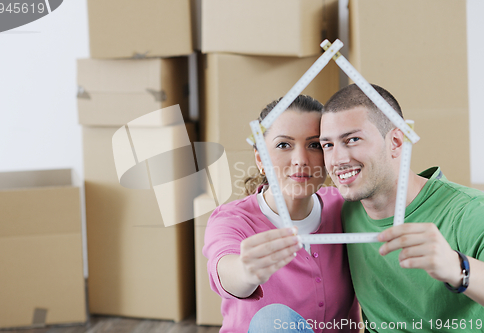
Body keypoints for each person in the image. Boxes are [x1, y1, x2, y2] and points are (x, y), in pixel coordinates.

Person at [319, 83, 484, 332]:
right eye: (327, 145)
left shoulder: (469, 212)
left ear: (396, 141)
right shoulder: (339, 211)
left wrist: (456, 267)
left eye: (352, 139)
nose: (337, 160)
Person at [203, 95, 360, 333]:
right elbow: (226, 270)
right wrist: (246, 271)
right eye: (284, 145)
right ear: (260, 159)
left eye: (314, 145)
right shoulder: (232, 220)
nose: (300, 160)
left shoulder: (345, 206)